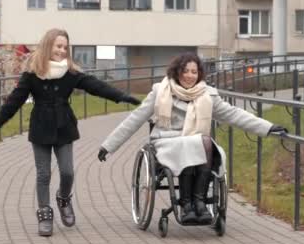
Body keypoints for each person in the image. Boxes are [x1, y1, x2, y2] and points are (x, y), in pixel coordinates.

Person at [0, 28, 141, 237]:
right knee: (43, 173)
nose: (62, 50)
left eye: (65, 47)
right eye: (58, 46)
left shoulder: (71, 73)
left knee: (67, 172)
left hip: (64, 127)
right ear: (48, 46)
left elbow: (96, 86)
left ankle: (63, 199)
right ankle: (44, 214)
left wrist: (123, 97)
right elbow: (13, 102)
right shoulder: (32, 74)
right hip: (40, 129)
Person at [97, 53, 287, 225]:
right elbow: (135, 118)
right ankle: (187, 205)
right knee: (194, 143)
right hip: (167, 142)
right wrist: (109, 145)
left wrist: (268, 127)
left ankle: (199, 202)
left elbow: (234, 114)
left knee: (203, 142)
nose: (189, 76)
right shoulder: (160, 92)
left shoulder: (208, 95)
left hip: (196, 142)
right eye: (185, 71)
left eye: (194, 72)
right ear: (177, 72)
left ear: (199, 74)